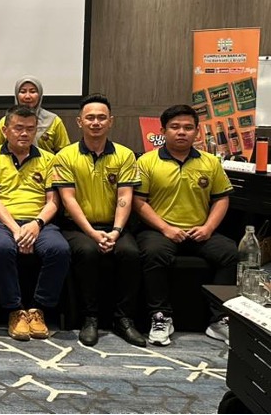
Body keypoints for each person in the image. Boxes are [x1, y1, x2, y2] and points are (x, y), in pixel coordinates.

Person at [133, 104, 236, 346]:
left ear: (197, 132)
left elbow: (221, 198)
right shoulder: (147, 162)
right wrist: (165, 228)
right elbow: (139, 202)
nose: (182, 132)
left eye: (188, 128)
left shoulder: (210, 162)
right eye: (175, 127)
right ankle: (160, 316)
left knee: (231, 253)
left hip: (199, 230)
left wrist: (208, 228)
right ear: (163, 131)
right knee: (154, 253)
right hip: (159, 230)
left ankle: (219, 319)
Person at [51, 94, 146, 347]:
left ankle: (124, 319)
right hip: (77, 227)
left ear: (110, 121)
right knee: (88, 252)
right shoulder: (64, 156)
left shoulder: (125, 155)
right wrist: (92, 233)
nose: (96, 122)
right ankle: (89, 318)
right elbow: (68, 200)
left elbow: (125, 196)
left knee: (130, 253)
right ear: (79, 122)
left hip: (114, 226)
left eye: (101, 118)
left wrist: (116, 231)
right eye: (90, 118)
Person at [0, 105, 70, 342]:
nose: (24, 133)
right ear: (5, 130)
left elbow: (54, 201)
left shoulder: (49, 159)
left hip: (39, 222)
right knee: (1, 248)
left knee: (59, 249)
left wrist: (36, 224)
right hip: (2, 222)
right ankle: (15, 310)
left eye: (30, 129)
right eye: (18, 128)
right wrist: (16, 229)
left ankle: (38, 309)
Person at [0, 76, 70, 153]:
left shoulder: (54, 121)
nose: (27, 96)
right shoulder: (5, 122)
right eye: (23, 92)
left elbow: (64, 154)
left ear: (40, 95)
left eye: (32, 92)